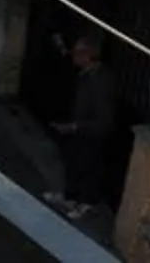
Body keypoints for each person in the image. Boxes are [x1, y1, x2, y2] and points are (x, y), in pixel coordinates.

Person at [44, 36, 117, 218]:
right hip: (79, 128)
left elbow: (103, 118)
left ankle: (86, 202)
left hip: (92, 133)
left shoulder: (101, 81)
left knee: (89, 166)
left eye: (77, 53)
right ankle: (70, 196)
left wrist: (76, 126)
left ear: (88, 56)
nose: (73, 56)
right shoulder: (86, 73)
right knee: (73, 161)